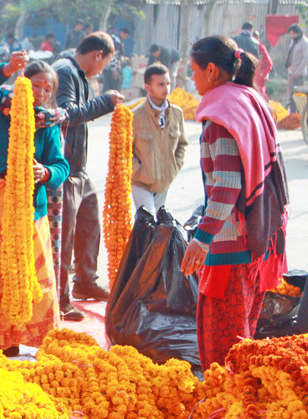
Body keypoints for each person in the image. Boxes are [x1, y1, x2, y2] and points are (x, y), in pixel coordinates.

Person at [181, 36, 289, 369]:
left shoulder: (220, 117)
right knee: (243, 339)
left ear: (211, 70)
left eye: (194, 71)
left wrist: (201, 239)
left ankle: (225, 402)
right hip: (257, 241)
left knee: (222, 349)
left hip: (231, 247)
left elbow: (226, 187)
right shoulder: (249, 99)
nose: (192, 79)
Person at [0, 52, 69, 355]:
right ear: (23, 82)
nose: (41, 93)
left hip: (29, 207)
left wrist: (45, 172)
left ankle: (34, 338)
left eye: (48, 89)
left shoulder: (48, 124)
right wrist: (7, 68)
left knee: (33, 272)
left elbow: (60, 165)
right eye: (36, 85)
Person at [53, 32, 123, 321]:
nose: (102, 70)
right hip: (63, 167)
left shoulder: (79, 76)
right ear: (97, 55)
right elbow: (67, 114)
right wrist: (105, 102)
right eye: (104, 64)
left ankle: (85, 281)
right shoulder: (65, 71)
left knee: (90, 223)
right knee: (64, 237)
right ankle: (60, 297)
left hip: (79, 169)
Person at [130, 64, 188, 214]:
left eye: (168, 83)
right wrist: (139, 171)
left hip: (164, 183)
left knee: (161, 224)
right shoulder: (134, 116)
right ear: (148, 87)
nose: (166, 88)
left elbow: (182, 144)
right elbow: (124, 151)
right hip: (141, 183)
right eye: (160, 84)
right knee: (147, 222)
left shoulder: (177, 114)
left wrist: (174, 167)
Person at [286, 24, 308, 113]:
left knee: (297, 97)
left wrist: (298, 72)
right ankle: (292, 116)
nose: (292, 36)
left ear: (298, 33)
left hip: (298, 75)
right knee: (291, 97)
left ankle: (298, 117)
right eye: (290, 34)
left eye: (293, 34)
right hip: (291, 73)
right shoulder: (293, 42)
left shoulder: (304, 43)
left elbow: (305, 59)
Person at [253, 30, 273, 99]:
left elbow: (269, 64)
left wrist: (263, 73)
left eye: (256, 37)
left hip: (258, 76)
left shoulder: (261, 48)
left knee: (260, 94)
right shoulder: (247, 46)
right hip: (250, 75)